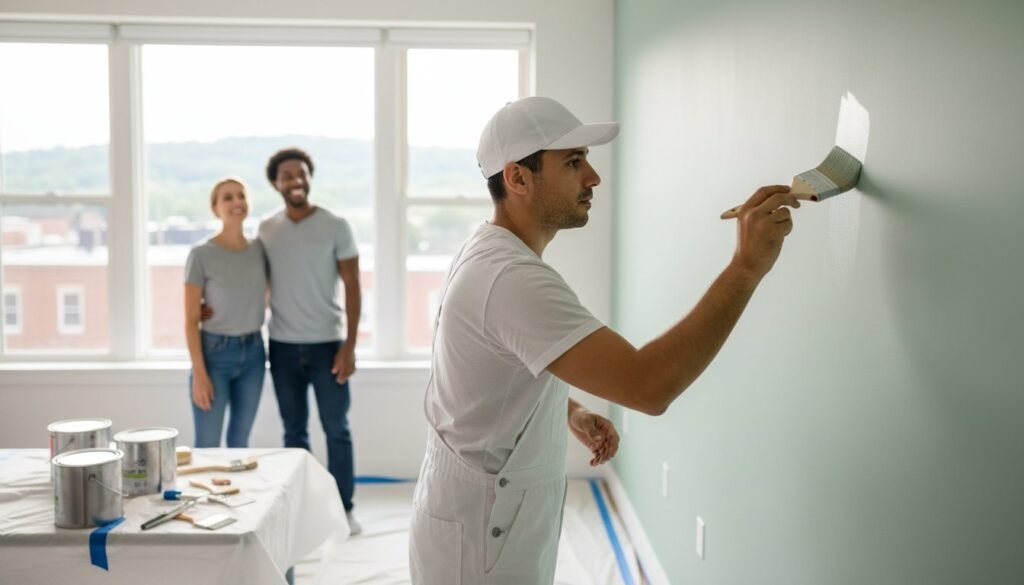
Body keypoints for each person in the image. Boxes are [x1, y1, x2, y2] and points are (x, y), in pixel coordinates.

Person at [409, 96, 800, 584]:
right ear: (518, 178)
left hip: (481, 517)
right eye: (574, 162)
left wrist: (567, 410)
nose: (593, 177)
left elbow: (497, 366)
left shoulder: (492, 250)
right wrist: (745, 268)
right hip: (480, 536)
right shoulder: (511, 277)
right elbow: (648, 386)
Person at [258, 148, 364, 535]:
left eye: (301, 174)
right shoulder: (266, 229)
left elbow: (353, 285)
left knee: (337, 429)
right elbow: (254, 281)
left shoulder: (336, 225)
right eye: (287, 176)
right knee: (294, 433)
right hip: (282, 347)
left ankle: (344, 510)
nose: (295, 181)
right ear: (276, 183)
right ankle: (299, 510)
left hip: (327, 346)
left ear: (309, 177)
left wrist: (349, 345)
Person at [184, 177, 267, 448]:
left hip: (254, 353)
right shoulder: (201, 254)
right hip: (214, 354)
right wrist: (199, 373)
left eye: (241, 196)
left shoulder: (260, 250)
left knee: (239, 443)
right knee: (207, 445)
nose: (236, 202)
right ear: (215, 208)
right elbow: (191, 319)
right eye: (227, 197)